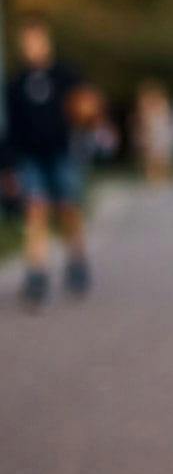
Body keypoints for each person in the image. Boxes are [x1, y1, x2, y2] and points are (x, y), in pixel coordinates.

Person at [5, 16, 91, 310]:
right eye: (27, 42)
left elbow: (86, 106)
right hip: (30, 157)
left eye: (37, 40)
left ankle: (77, 260)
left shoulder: (65, 75)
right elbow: (11, 128)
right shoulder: (16, 84)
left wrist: (88, 114)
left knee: (68, 209)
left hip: (62, 152)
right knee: (36, 209)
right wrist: (7, 166)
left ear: (47, 41)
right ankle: (36, 273)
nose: (32, 46)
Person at [132, 79, 173, 185]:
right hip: (152, 132)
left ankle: (164, 177)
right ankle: (153, 178)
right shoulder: (145, 103)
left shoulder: (161, 103)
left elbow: (164, 118)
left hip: (159, 131)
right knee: (152, 156)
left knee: (162, 155)